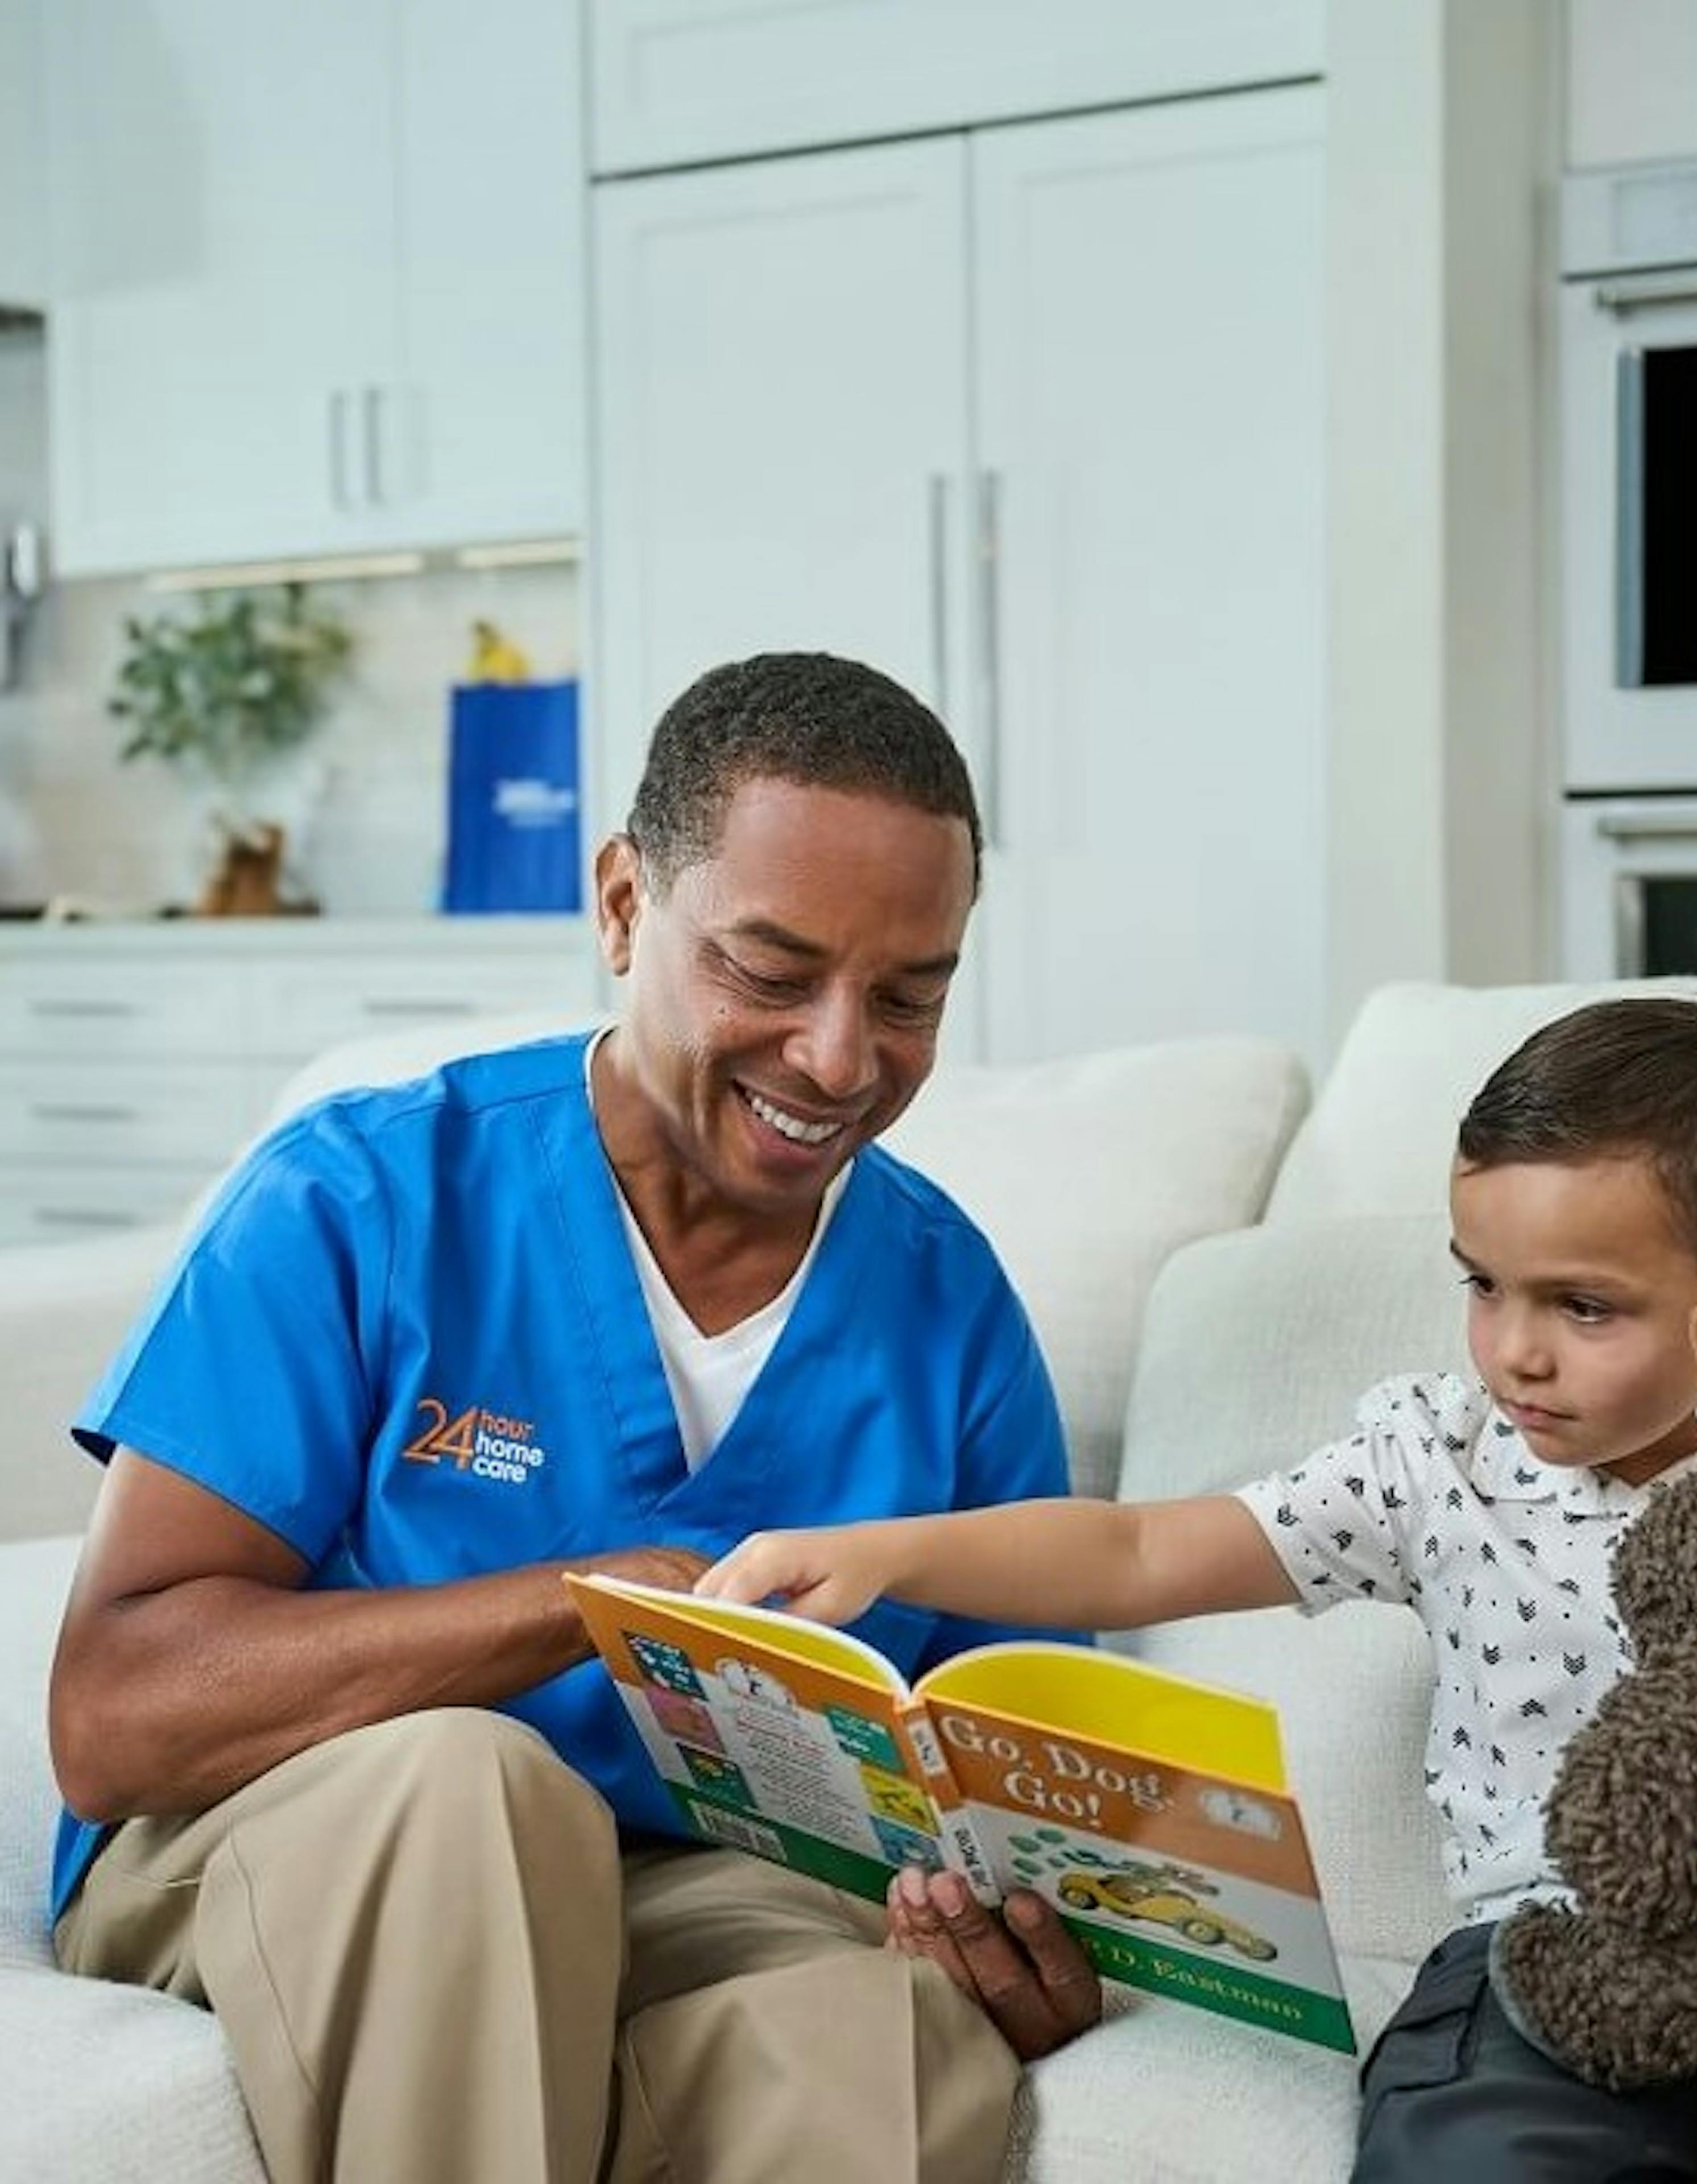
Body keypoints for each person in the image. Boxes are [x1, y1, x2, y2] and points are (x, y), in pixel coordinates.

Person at [702, 995, 1697, 2183]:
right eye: (1483, 1285)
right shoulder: (1434, 1460)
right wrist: (898, 1547)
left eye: (1583, 1307)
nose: (1513, 1353)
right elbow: (1145, 1549)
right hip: (1553, 1963)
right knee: (1474, 2152)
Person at [45, 652, 1102, 2184]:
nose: (838, 1058)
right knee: (480, 1790)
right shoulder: (360, 1196)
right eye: (768, 969)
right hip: (277, 1844)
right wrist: (579, 1607)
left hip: (678, 1886)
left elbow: (1017, 1770)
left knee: (901, 2040)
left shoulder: (948, 1308)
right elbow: (111, 1719)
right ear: (621, 904)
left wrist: (1016, 1928)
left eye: (910, 997)